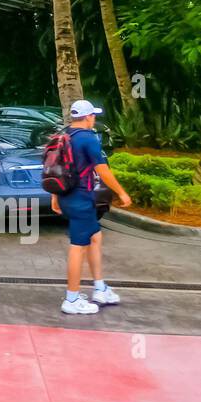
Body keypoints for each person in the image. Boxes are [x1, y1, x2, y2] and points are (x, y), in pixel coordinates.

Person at [52, 99, 131, 315]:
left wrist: (55, 197)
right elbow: (103, 170)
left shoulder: (64, 134)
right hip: (80, 199)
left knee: (95, 236)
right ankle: (72, 299)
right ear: (87, 117)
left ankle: (100, 288)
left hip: (67, 197)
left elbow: (54, 167)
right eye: (93, 115)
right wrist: (122, 192)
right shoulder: (88, 138)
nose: (94, 118)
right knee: (78, 247)